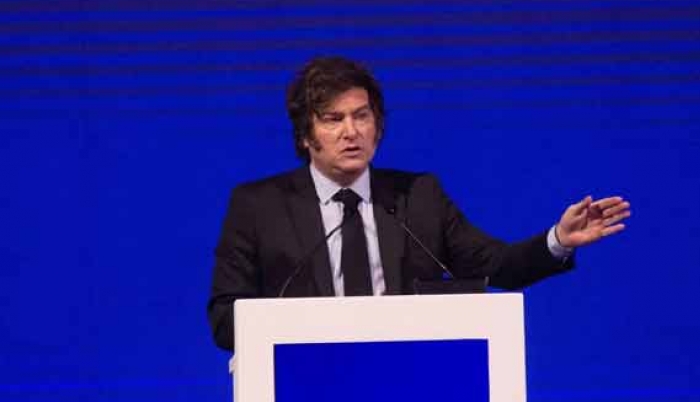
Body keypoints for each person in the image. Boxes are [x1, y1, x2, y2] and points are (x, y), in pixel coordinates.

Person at [207, 56, 631, 351]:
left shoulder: (417, 196)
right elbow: (225, 320)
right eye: (333, 119)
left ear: (378, 126)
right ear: (305, 135)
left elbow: (496, 266)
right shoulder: (259, 207)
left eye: (362, 115)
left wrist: (558, 240)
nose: (351, 131)